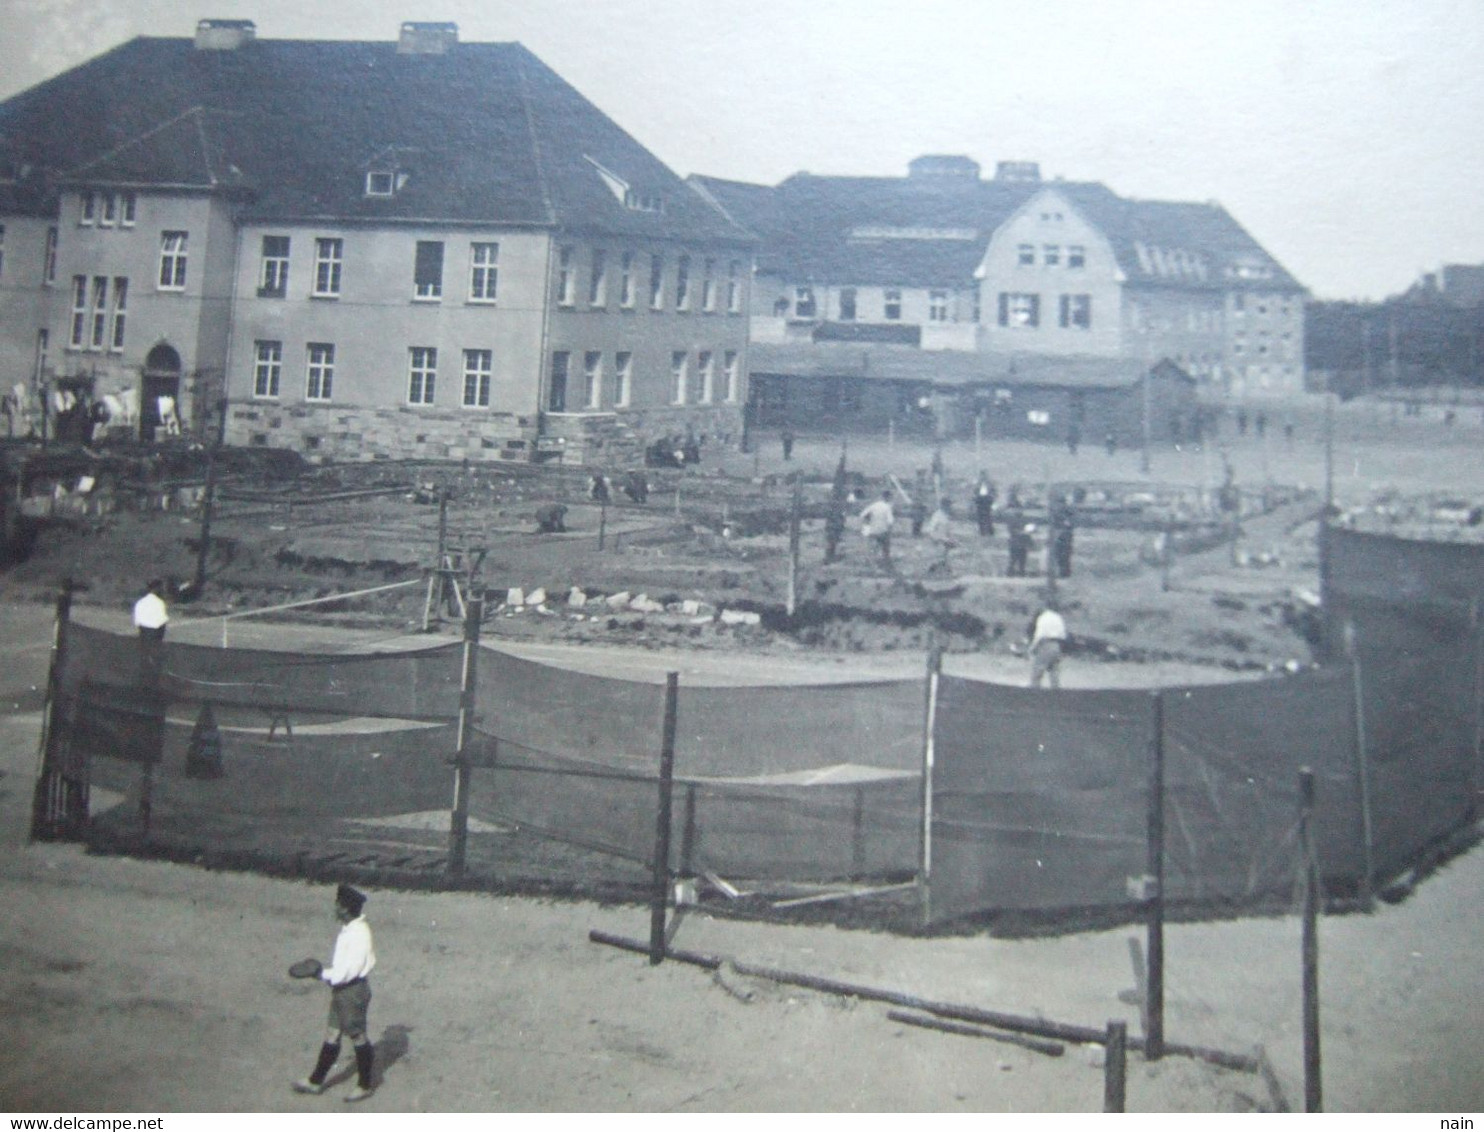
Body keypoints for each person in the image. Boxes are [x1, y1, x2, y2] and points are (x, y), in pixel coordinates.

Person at [294, 885, 377, 1102]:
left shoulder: (359, 933)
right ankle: (315, 1081)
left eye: (338, 905)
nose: (335, 908)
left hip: (353, 991)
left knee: (358, 1036)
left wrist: (321, 974)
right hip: (341, 990)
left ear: (346, 909)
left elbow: (348, 971)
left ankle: (365, 1085)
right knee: (332, 1034)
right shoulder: (350, 928)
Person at [1028, 601, 1068, 689]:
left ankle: (1033, 694)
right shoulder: (1058, 617)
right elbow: (1063, 635)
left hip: (1045, 644)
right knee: (1054, 673)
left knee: (1037, 672)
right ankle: (1055, 695)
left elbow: (1040, 634)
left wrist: (1033, 647)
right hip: (1057, 645)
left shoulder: (1043, 617)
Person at [859, 489, 895, 566]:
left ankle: (870, 562)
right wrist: (890, 530)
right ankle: (886, 562)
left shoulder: (874, 505)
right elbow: (890, 521)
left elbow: (862, 515)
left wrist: (866, 524)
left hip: (873, 530)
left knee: (873, 548)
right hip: (883, 531)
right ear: (888, 498)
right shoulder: (887, 507)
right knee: (885, 548)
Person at [925, 498, 954, 572]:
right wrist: (935, 538)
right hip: (938, 539)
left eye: (950, 505)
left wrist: (950, 538)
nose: (950, 507)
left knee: (945, 556)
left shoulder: (946, 515)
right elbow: (931, 528)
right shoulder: (937, 515)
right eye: (948, 505)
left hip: (945, 539)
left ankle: (946, 570)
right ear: (943, 506)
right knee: (938, 556)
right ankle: (932, 570)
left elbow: (948, 528)